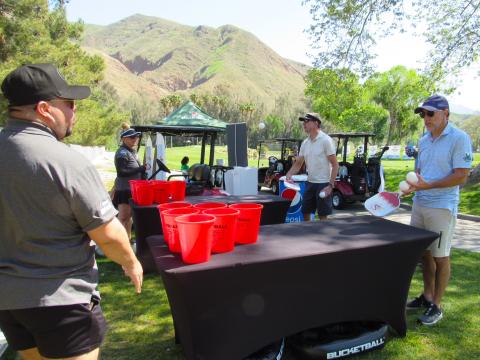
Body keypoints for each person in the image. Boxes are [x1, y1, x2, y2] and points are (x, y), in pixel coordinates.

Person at [0, 63, 143, 360]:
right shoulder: (66, 162)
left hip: (9, 302)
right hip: (61, 300)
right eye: (69, 104)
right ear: (44, 108)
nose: (74, 112)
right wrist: (131, 262)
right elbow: (108, 234)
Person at [405, 95, 472, 325]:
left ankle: (437, 305)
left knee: (441, 257)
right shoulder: (424, 140)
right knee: (424, 253)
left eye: (430, 113)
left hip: (442, 206)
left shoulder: (459, 138)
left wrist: (428, 185)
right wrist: (413, 187)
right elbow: (421, 173)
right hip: (420, 202)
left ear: (446, 113)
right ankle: (426, 296)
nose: (426, 118)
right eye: (423, 114)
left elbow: (461, 175)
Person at [286, 112, 339, 221]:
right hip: (310, 183)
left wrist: (330, 186)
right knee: (305, 213)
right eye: (303, 122)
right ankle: (307, 236)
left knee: (322, 216)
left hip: (324, 184)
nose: (304, 124)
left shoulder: (326, 140)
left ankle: (324, 237)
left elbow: (335, 165)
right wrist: (289, 174)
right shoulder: (305, 143)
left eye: (307, 121)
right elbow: (298, 163)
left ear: (316, 123)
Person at [113, 125, 146, 242]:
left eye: (136, 137)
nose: (135, 139)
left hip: (132, 189)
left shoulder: (131, 151)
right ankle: (117, 242)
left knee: (129, 217)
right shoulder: (122, 153)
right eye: (132, 138)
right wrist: (139, 169)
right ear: (124, 139)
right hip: (124, 189)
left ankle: (126, 240)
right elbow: (121, 172)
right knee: (123, 217)